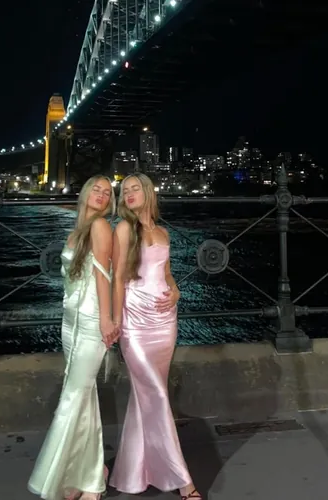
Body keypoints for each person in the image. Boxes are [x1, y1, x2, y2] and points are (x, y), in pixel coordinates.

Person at [109, 174, 201, 500]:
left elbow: (166, 273)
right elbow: (118, 279)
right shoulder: (124, 229)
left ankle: (135, 472)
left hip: (165, 322)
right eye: (125, 190)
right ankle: (183, 480)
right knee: (157, 396)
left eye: (136, 188)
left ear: (148, 193)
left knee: (147, 397)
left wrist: (176, 291)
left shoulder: (162, 232)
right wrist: (114, 320)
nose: (130, 193)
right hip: (135, 323)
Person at [28, 175, 119, 500]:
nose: (101, 194)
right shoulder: (77, 231)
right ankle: (92, 475)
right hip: (70, 321)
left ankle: (67, 476)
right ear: (85, 193)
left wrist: (107, 319)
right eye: (96, 188)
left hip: (92, 321)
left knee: (73, 395)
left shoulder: (101, 227)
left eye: (107, 192)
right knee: (83, 395)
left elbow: (103, 275)